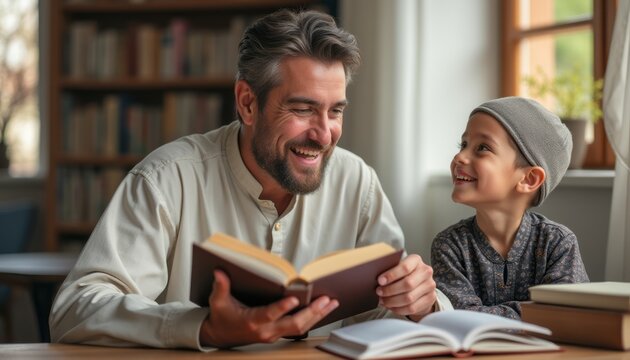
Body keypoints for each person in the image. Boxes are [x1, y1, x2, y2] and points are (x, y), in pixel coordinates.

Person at [50, 9, 450, 350]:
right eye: (303, 109)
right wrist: (202, 327)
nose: (324, 134)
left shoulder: (357, 182)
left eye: (336, 111)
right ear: (247, 103)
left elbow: (385, 312)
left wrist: (420, 302)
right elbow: (74, 310)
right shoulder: (167, 178)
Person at [431, 96, 589, 320]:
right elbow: (459, 318)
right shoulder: (449, 245)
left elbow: (565, 316)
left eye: (482, 148)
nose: (459, 157)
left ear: (529, 179)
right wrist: (535, 310)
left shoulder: (558, 244)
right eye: (463, 145)